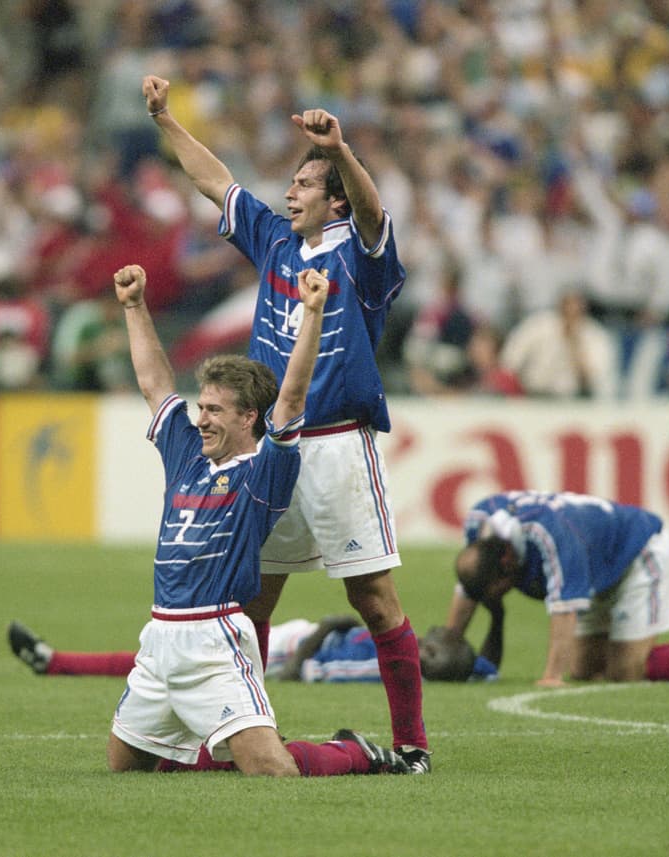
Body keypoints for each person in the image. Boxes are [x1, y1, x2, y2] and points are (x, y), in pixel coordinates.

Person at [143, 74, 430, 772]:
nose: (290, 191)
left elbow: (371, 211)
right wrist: (166, 119)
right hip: (271, 449)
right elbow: (217, 182)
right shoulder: (272, 241)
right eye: (293, 182)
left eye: (304, 183)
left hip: (335, 447)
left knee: (373, 596)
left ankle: (413, 743)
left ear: (331, 197)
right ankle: (249, 733)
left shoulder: (357, 255)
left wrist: (342, 150)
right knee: (250, 596)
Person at [103, 262, 405, 777]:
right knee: (126, 771)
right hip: (158, 641)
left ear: (248, 419)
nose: (201, 419)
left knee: (273, 772)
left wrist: (313, 313)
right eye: (202, 407)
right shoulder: (185, 453)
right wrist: (134, 306)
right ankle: (214, 749)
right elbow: (155, 385)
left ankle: (355, 752)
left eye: (216, 411)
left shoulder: (264, 471)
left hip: (214, 640)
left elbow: (290, 397)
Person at [445, 491, 669, 686]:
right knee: (585, 669)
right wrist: (450, 643)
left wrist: (551, 676)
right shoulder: (481, 523)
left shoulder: (552, 538)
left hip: (638, 554)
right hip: (597, 572)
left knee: (628, 672)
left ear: (507, 564)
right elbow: (468, 588)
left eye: (499, 590)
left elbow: (563, 609)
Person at [7, 616, 497, 683]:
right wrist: (496, 617)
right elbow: (486, 668)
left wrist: (318, 634)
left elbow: (316, 668)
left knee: (159, 657)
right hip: (285, 635)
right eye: (431, 648)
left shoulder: (385, 665)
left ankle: (54, 662)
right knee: (161, 652)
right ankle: (53, 662)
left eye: (429, 661)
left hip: (282, 651)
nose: (423, 653)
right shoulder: (406, 641)